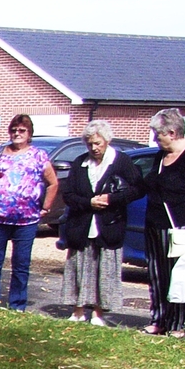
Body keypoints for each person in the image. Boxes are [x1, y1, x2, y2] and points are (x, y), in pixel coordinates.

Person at [59, 121, 143, 325]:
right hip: (82, 225)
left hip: (109, 224)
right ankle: (77, 311)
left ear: (107, 141)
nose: (94, 148)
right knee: (80, 268)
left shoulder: (121, 161)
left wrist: (110, 200)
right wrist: (89, 202)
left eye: (97, 143)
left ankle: (98, 313)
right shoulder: (80, 163)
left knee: (103, 272)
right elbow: (68, 194)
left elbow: (137, 189)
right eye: (89, 144)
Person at [0, 114, 59, 310]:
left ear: (29, 134)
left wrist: (45, 207)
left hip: (26, 221)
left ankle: (17, 305)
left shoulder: (39, 156)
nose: (17, 134)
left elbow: (53, 183)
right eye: (14, 130)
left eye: (22, 130)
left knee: (21, 265)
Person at [141, 108, 185, 337]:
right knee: (157, 274)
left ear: (172, 132)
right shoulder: (161, 156)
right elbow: (147, 185)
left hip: (182, 227)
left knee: (178, 276)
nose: (155, 139)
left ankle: (177, 324)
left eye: (158, 134)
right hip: (155, 225)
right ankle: (158, 320)